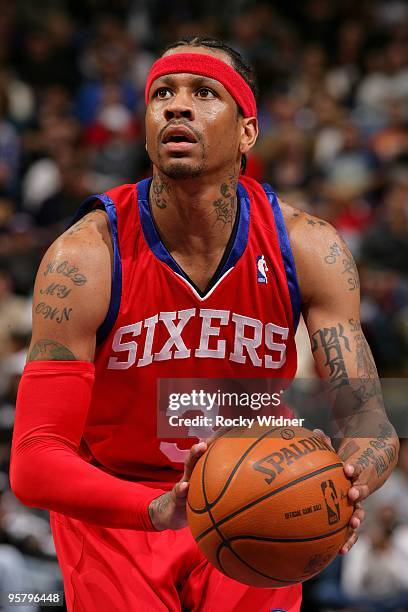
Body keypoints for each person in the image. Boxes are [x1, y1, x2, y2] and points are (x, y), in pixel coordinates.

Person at [9, 37, 399, 612]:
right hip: (119, 511)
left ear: (247, 131)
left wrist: (346, 482)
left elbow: (372, 423)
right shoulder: (86, 256)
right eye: (162, 93)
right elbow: (35, 457)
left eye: (204, 92)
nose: (176, 105)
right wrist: (153, 509)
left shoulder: (308, 247)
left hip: (259, 486)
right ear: (146, 129)